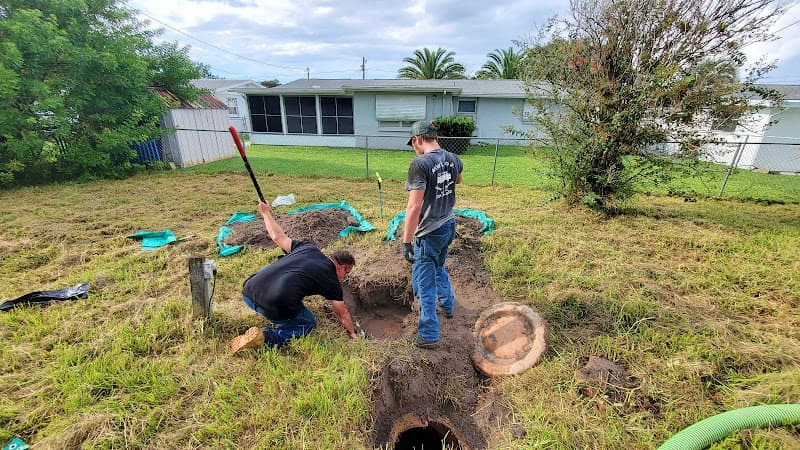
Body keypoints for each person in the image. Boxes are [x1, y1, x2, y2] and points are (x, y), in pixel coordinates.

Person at [229, 200, 358, 354]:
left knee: (277, 267)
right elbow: (342, 313)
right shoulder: (331, 282)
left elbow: (277, 237)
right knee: (307, 323)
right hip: (272, 304)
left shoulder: (308, 248)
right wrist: (352, 333)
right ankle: (267, 337)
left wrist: (265, 213)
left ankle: (268, 312)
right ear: (342, 267)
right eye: (347, 272)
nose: (345, 277)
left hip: (249, 291)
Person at [402, 120, 463, 349]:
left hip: (429, 231)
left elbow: (414, 207)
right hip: (449, 224)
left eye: (413, 144)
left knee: (426, 281)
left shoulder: (420, 163)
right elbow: (458, 179)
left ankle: (428, 334)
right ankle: (447, 306)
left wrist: (406, 242)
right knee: (438, 267)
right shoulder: (452, 158)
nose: (414, 148)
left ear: (418, 139)